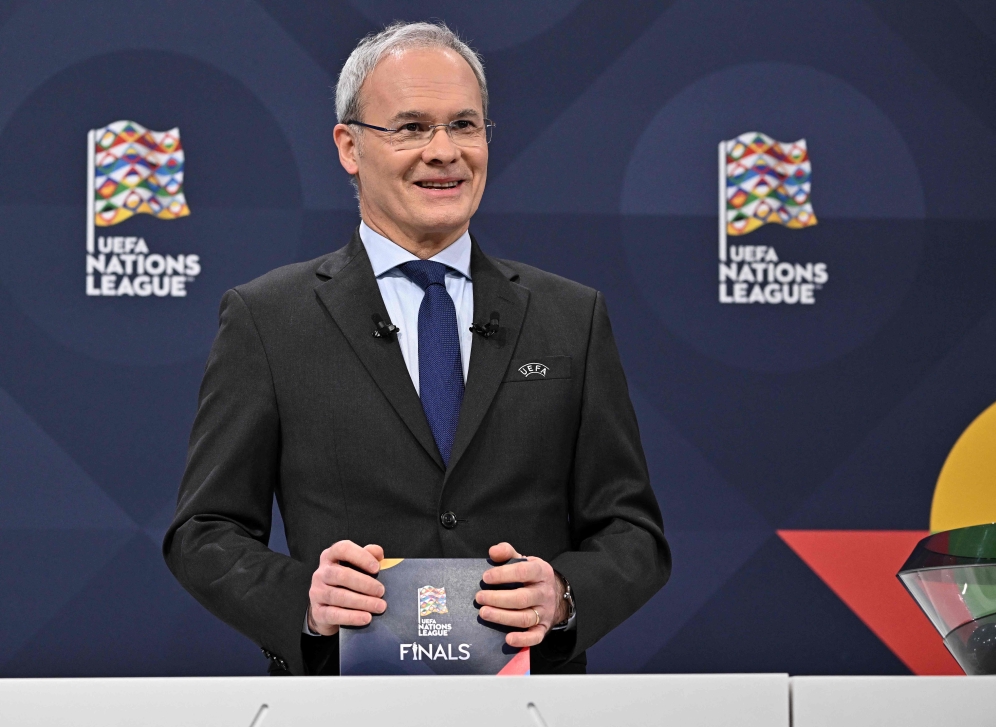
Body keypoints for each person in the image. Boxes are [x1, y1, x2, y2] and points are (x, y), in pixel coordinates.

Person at [163, 21, 670, 676]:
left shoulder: (570, 317)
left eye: (465, 125)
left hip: (528, 705)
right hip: (344, 707)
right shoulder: (268, 319)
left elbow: (634, 533)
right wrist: (305, 603)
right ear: (349, 147)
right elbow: (205, 531)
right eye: (410, 128)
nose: (444, 151)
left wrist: (565, 596)